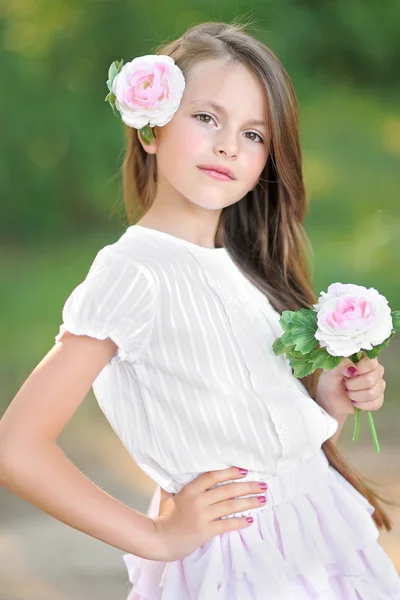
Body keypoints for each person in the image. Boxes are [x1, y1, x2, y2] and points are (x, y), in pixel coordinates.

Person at [1, 20, 399, 600]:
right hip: (241, 567)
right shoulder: (132, 272)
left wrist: (326, 407)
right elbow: (17, 446)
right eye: (207, 118)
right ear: (151, 127)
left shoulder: (240, 265)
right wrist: (156, 537)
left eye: (255, 134)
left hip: (320, 535)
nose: (228, 145)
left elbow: (257, 440)